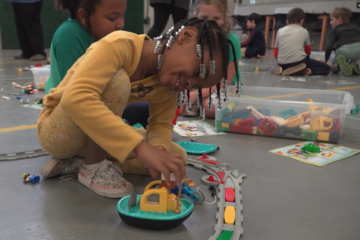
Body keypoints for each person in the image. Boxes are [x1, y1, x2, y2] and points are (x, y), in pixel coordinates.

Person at [37, 17, 231, 198]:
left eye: (196, 86)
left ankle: (76, 162)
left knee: (173, 157)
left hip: (90, 137)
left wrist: (158, 149)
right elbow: (75, 99)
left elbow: (161, 125)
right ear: (185, 37)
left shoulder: (169, 84)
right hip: (57, 132)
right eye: (197, 71)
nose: (189, 85)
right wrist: (141, 149)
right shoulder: (120, 45)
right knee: (118, 82)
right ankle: (93, 167)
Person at [44, 0, 149, 128]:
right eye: (112, 18)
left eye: (123, 16)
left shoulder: (98, 35)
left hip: (95, 107)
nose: (120, 24)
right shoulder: (69, 35)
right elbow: (78, 100)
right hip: (71, 121)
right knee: (145, 111)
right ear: (83, 16)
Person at [179, 0, 242, 118]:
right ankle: (197, 101)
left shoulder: (231, 41)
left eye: (216, 18)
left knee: (210, 108)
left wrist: (195, 95)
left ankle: (198, 101)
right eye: (204, 17)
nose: (210, 23)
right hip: (202, 84)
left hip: (226, 87)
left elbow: (226, 81)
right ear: (196, 16)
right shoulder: (193, 38)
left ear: (224, 18)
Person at [273, 8, 331, 76]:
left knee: (286, 63)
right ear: (302, 21)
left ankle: (284, 68)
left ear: (287, 22)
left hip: (281, 63)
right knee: (327, 68)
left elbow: (276, 51)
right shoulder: (304, 31)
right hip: (298, 62)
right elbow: (308, 50)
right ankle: (308, 71)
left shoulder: (280, 31)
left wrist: (280, 61)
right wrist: (307, 59)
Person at [325, 7, 360, 77]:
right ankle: (353, 65)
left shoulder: (335, 30)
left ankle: (339, 66)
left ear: (339, 19)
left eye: (332, 19)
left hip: (344, 50)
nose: (330, 23)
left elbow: (329, 47)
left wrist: (326, 60)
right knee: (355, 55)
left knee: (331, 68)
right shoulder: (356, 27)